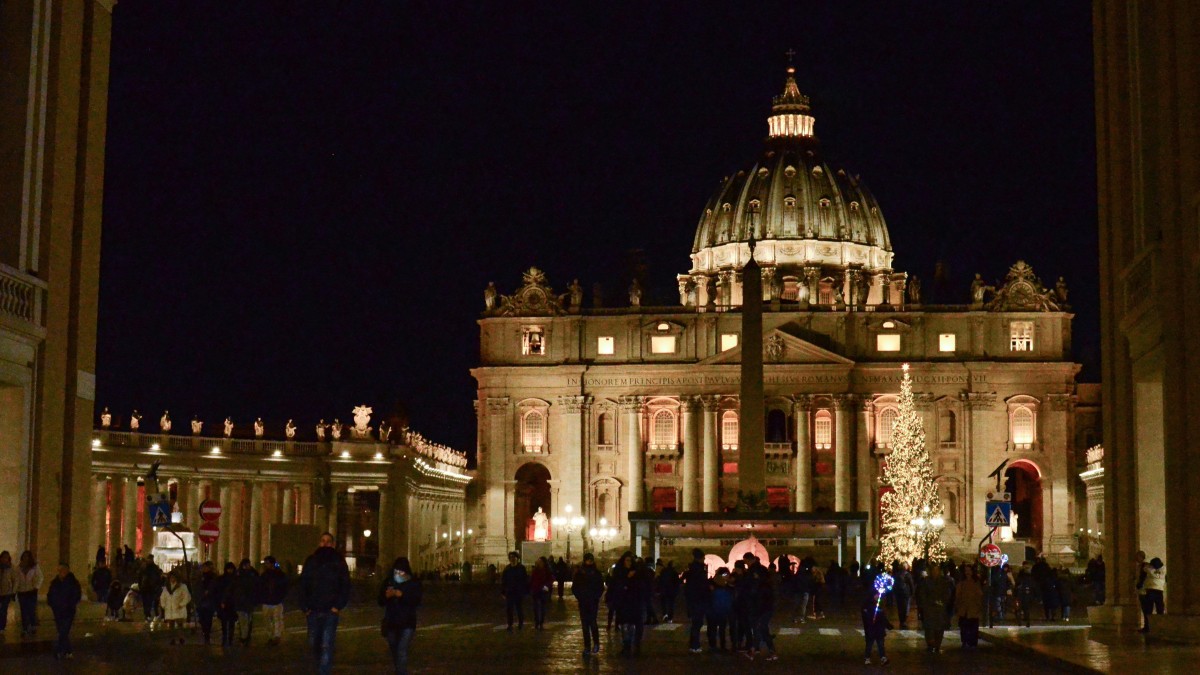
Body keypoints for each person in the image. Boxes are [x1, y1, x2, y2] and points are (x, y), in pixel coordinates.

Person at [299, 531, 351, 675]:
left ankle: (324, 671)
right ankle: (318, 667)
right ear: (319, 543)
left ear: (333, 544)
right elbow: (303, 583)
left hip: (330, 610)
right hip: (313, 609)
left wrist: (338, 606)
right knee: (314, 643)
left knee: (327, 644)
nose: (325, 543)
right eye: (323, 541)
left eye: (328, 541)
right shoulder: (311, 560)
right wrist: (305, 607)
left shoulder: (338, 561)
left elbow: (345, 584)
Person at [379, 556, 423, 675]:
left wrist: (402, 595)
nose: (398, 574)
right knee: (394, 649)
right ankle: (398, 669)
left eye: (401, 572)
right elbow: (380, 601)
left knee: (402, 650)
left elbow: (417, 600)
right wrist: (386, 596)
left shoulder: (413, 583)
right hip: (392, 622)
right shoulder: (388, 581)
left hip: (407, 622)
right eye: (396, 572)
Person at [571, 552, 604, 657]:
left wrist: (596, 596)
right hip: (584, 601)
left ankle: (596, 643)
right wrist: (580, 596)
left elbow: (600, 587)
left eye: (591, 560)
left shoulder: (596, 573)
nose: (589, 561)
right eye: (588, 560)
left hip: (593, 601)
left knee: (593, 623)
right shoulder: (580, 573)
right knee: (585, 625)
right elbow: (575, 587)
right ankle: (587, 646)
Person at [917, 562, 953, 654]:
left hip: (940, 609)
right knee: (929, 628)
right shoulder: (926, 581)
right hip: (929, 609)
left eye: (937, 570)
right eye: (933, 570)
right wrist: (927, 604)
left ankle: (937, 646)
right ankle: (930, 645)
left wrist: (942, 602)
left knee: (939, 628)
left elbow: (947, 594)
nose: (935, 572)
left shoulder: (943, 581)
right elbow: (922, 594)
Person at [47, 564, 81, 659]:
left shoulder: (73, 582)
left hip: (68, 611)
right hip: (58, 610)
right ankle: (67, 650)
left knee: (63, 631)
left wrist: (70, 604)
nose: (61, 572)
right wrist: (52, 604)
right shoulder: (55, 583)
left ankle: (58, 650)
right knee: (62, 631)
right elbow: (50, 594)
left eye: (63, 570)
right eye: (60, 570)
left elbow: (76, 595)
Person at [613, 552, 643, 656]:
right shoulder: (619, 572)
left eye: (630, 561)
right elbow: (616, 585)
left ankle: (632, 645)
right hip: (623, 602)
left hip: (633, 602)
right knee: (624, 625)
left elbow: (639, 587)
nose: (629, 563)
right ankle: (626, 645)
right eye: (627, 560)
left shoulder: (637, 573)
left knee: (632, 625)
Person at [681, 548, 711, 653]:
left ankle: (693, 644)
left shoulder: (691, 569)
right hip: (699, 600)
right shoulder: (699, 570)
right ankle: (695, 645)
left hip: (693, 600)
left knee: (696, 623)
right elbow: (702, 586)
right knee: (697, 623)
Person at [260, 555, 289, 646]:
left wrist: (281, 596)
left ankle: (276, 636)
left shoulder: (279, 575)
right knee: (267, 620)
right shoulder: (264, 575)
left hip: (276, 601)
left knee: (277, 619)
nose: (266, 565)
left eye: (267, 563)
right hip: (267, 601)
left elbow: (284, 587)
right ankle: (270, 636)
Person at [232, 558, 260, 645]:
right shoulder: (239, 575)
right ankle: (244, 637)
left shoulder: (252, 574)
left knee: (248, 620)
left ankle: (246, 636)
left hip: (248, 601)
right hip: (241, 601)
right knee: (243, 620)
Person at [862, 585, 892, 665]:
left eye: (879, 595)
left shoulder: (880, 605)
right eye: (876, 594)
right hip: (871, 629)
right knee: (869, 644)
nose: (878, 596)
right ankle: (867, 657)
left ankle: (883, 657)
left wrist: (888, 625)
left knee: (881, 644)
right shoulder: (868, 606)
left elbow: (882, 617)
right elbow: (866, 618)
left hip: (879, 629)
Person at [15, 550, 43, 637]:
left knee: (31, 609)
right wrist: (15, 590)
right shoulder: (18, 567)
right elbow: (16, 579)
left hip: (31, 590)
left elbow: (40, 577)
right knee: (23, 610)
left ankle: (32, 625)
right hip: (22, 591)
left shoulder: (34, 567)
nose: (25, 558)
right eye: (24, 556)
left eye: (27, 556)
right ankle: (25, 628)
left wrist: (36, 586)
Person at [160, 571, 192, 645]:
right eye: (171, 577)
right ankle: (172, 639)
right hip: (170, 609)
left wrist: (181, 604)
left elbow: (187, 596)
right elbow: (163, 597)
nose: (172, 579)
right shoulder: (166, 588)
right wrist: (163, 605)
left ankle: (181, 638)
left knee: (179, 625)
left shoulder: (182, 587)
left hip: (178, 609)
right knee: (171, 625)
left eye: (173, 577)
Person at [956, 566, 984, 648]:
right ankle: (965, 641)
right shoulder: (961, 583)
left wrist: (979, 606)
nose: (967, 572)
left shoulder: (976, 582)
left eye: (969, 571)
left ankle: (972, 643)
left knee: (973, 628)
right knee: (964, 628)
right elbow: (958, 596)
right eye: (966, 571)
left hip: (973, 610)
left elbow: (979, 595)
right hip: (964, 610)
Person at [500, 551, 529, 630]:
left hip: (519, 592)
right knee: (509, 609)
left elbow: (525, 580)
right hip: (510, 592)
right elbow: (504, 581)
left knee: (519, 608)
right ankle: (510, 624)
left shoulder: (521, 568)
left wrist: (526, 591)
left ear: (517, 558)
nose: (512, 559)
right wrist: (503, 592)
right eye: (511, 557)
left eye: (514, 557)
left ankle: (520, 623)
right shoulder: (507, 569)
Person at [707, 567, 734, 652]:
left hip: (718, 610)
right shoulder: (717, 584)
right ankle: (716, 646)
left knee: (718, 629)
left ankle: (718, 645)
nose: (726, 576)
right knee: (715, 629)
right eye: (725, 574)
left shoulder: (725, 585)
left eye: (727, 574)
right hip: (716, 610)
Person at [194, 562, 219, 644]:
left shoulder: (213, 577)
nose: (204, 569)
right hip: (201, 601)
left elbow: (214, 588)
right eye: (203, 567)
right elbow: (196, 587)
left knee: (208, 618)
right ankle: (205, 631)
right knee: (202, 618)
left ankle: (207, 633)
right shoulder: (200, 577)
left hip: (209, 601)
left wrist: (209, 592)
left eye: (206, 567)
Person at [1140, 557, 1165, 634]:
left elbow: (1143, 573)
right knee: (1160, 610)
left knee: (1148, 611)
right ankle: (1161, 627)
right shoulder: (1164, 569)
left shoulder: (1148, 569)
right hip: (1160, 590)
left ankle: (1148, 627)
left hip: (1150, 590)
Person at [216, 562, 239, 647]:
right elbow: (219, 591)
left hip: (232, 603)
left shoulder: (236, 579)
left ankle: (230, 639)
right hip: (224, 603)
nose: (230, 570)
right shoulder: (222, 579)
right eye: (228, 569)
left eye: (231, 569)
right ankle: (225, 638)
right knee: (224, 622)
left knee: (231, 622)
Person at [139, 556, 164, 626]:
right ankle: (147, 615)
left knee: (149, 602)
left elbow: (158, 578)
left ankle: (148, 614)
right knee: (145, 602)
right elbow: (139, 577)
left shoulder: (153, 568)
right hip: (145, 588)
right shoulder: (144, 567)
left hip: (151, 588)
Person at [529, 556, 553, 630]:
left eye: (540, 561)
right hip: (536, 590)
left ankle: (541, 622)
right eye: (538, 561)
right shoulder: (535, 570)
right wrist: (531, 587)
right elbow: (532, 579)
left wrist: (547, 586)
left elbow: (551, 579)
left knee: (542, 607)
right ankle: (537, 622)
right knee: (536, 607)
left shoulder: (547, 570)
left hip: (543, 590)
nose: (539, 563)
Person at [892, 561, 914, 629]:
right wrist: (912, 592)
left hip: (898, 593)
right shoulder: (907, 574)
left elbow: (894, 584)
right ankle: (903, 621)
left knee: (900, 607)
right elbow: (911, 584)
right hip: (905, 593)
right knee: (904, 607)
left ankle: (901, 621)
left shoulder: (897, 574)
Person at [0, 551, 16, 634]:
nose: (4, 559)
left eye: (6, 557)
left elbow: (14, 579)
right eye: (3, 557)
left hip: (7, 592)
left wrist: (13, 591)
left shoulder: (11, 567)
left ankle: (2, 626)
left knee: (3, 609)